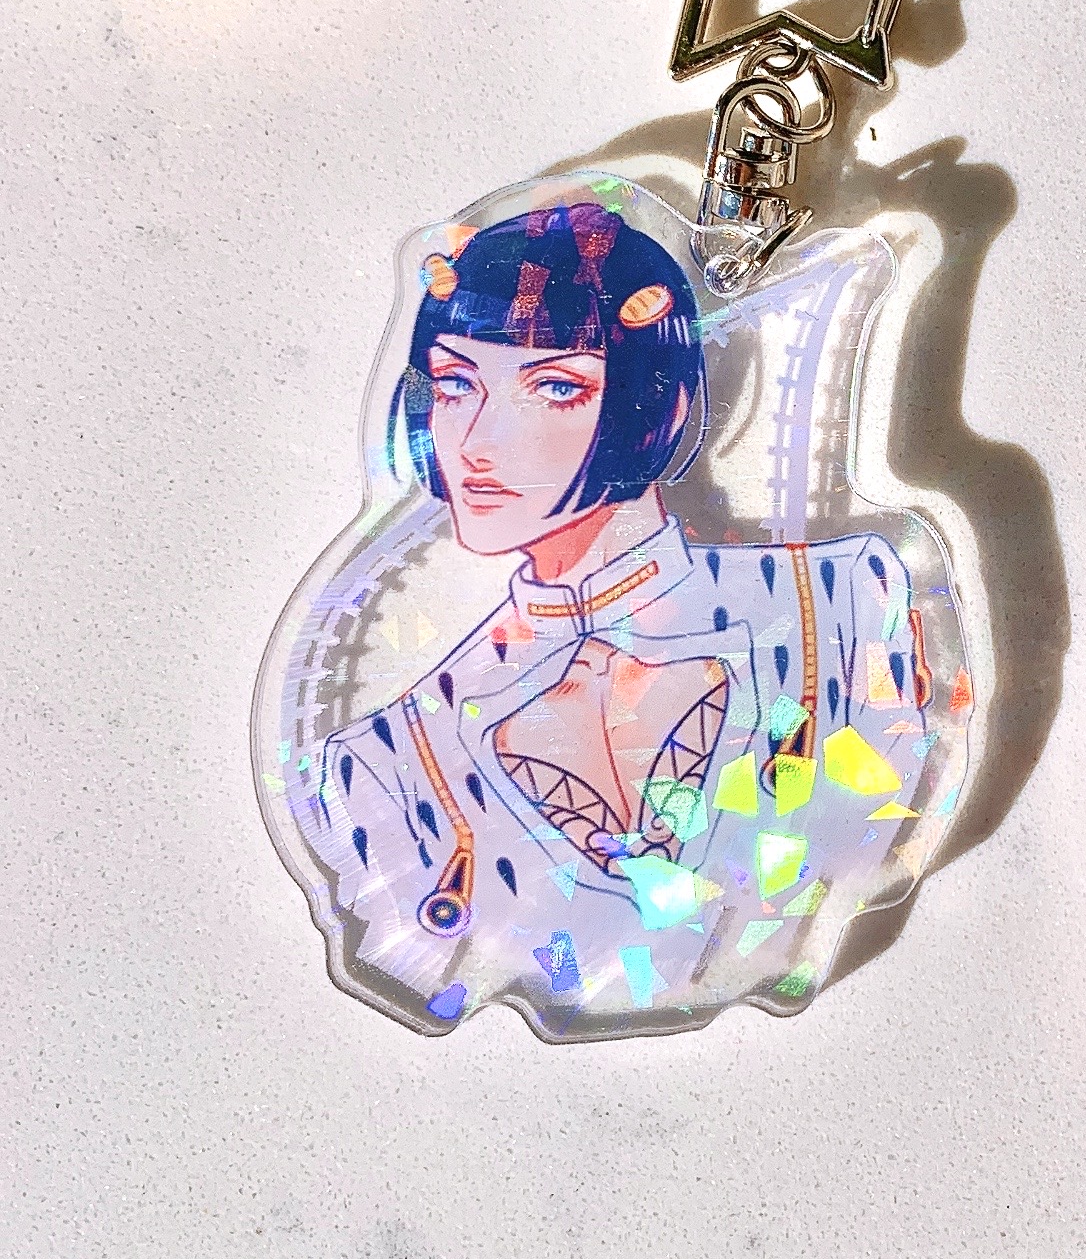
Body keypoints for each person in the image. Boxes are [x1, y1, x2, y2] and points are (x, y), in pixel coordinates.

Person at [309, 201, 935, 1032]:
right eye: (456, 384)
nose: (476, 441)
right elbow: (439, 977)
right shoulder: (387, 765)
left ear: (660, 405)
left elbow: (879, 847)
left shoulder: (841, 607)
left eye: (554, 387)